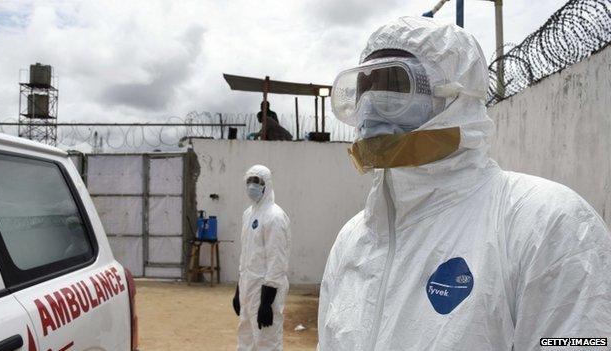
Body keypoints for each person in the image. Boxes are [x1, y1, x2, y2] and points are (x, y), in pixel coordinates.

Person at [318, 16, 611, 350]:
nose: (371, 102)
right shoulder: (353, 239)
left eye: (395, 84)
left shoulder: (546, 225)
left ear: (456, 95)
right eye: (364, 87)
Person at [233, 165, 291, 351]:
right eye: (249, 181)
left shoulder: (275, 217)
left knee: (267, 340)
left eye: (256, 181)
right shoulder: (248, 215)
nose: (252, 186)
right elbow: (246, 255)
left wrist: (267, 301)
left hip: (265, 289)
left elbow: (277, 259)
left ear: (266, 184)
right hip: (247, 287)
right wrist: (238, 289)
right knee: (245, 338)